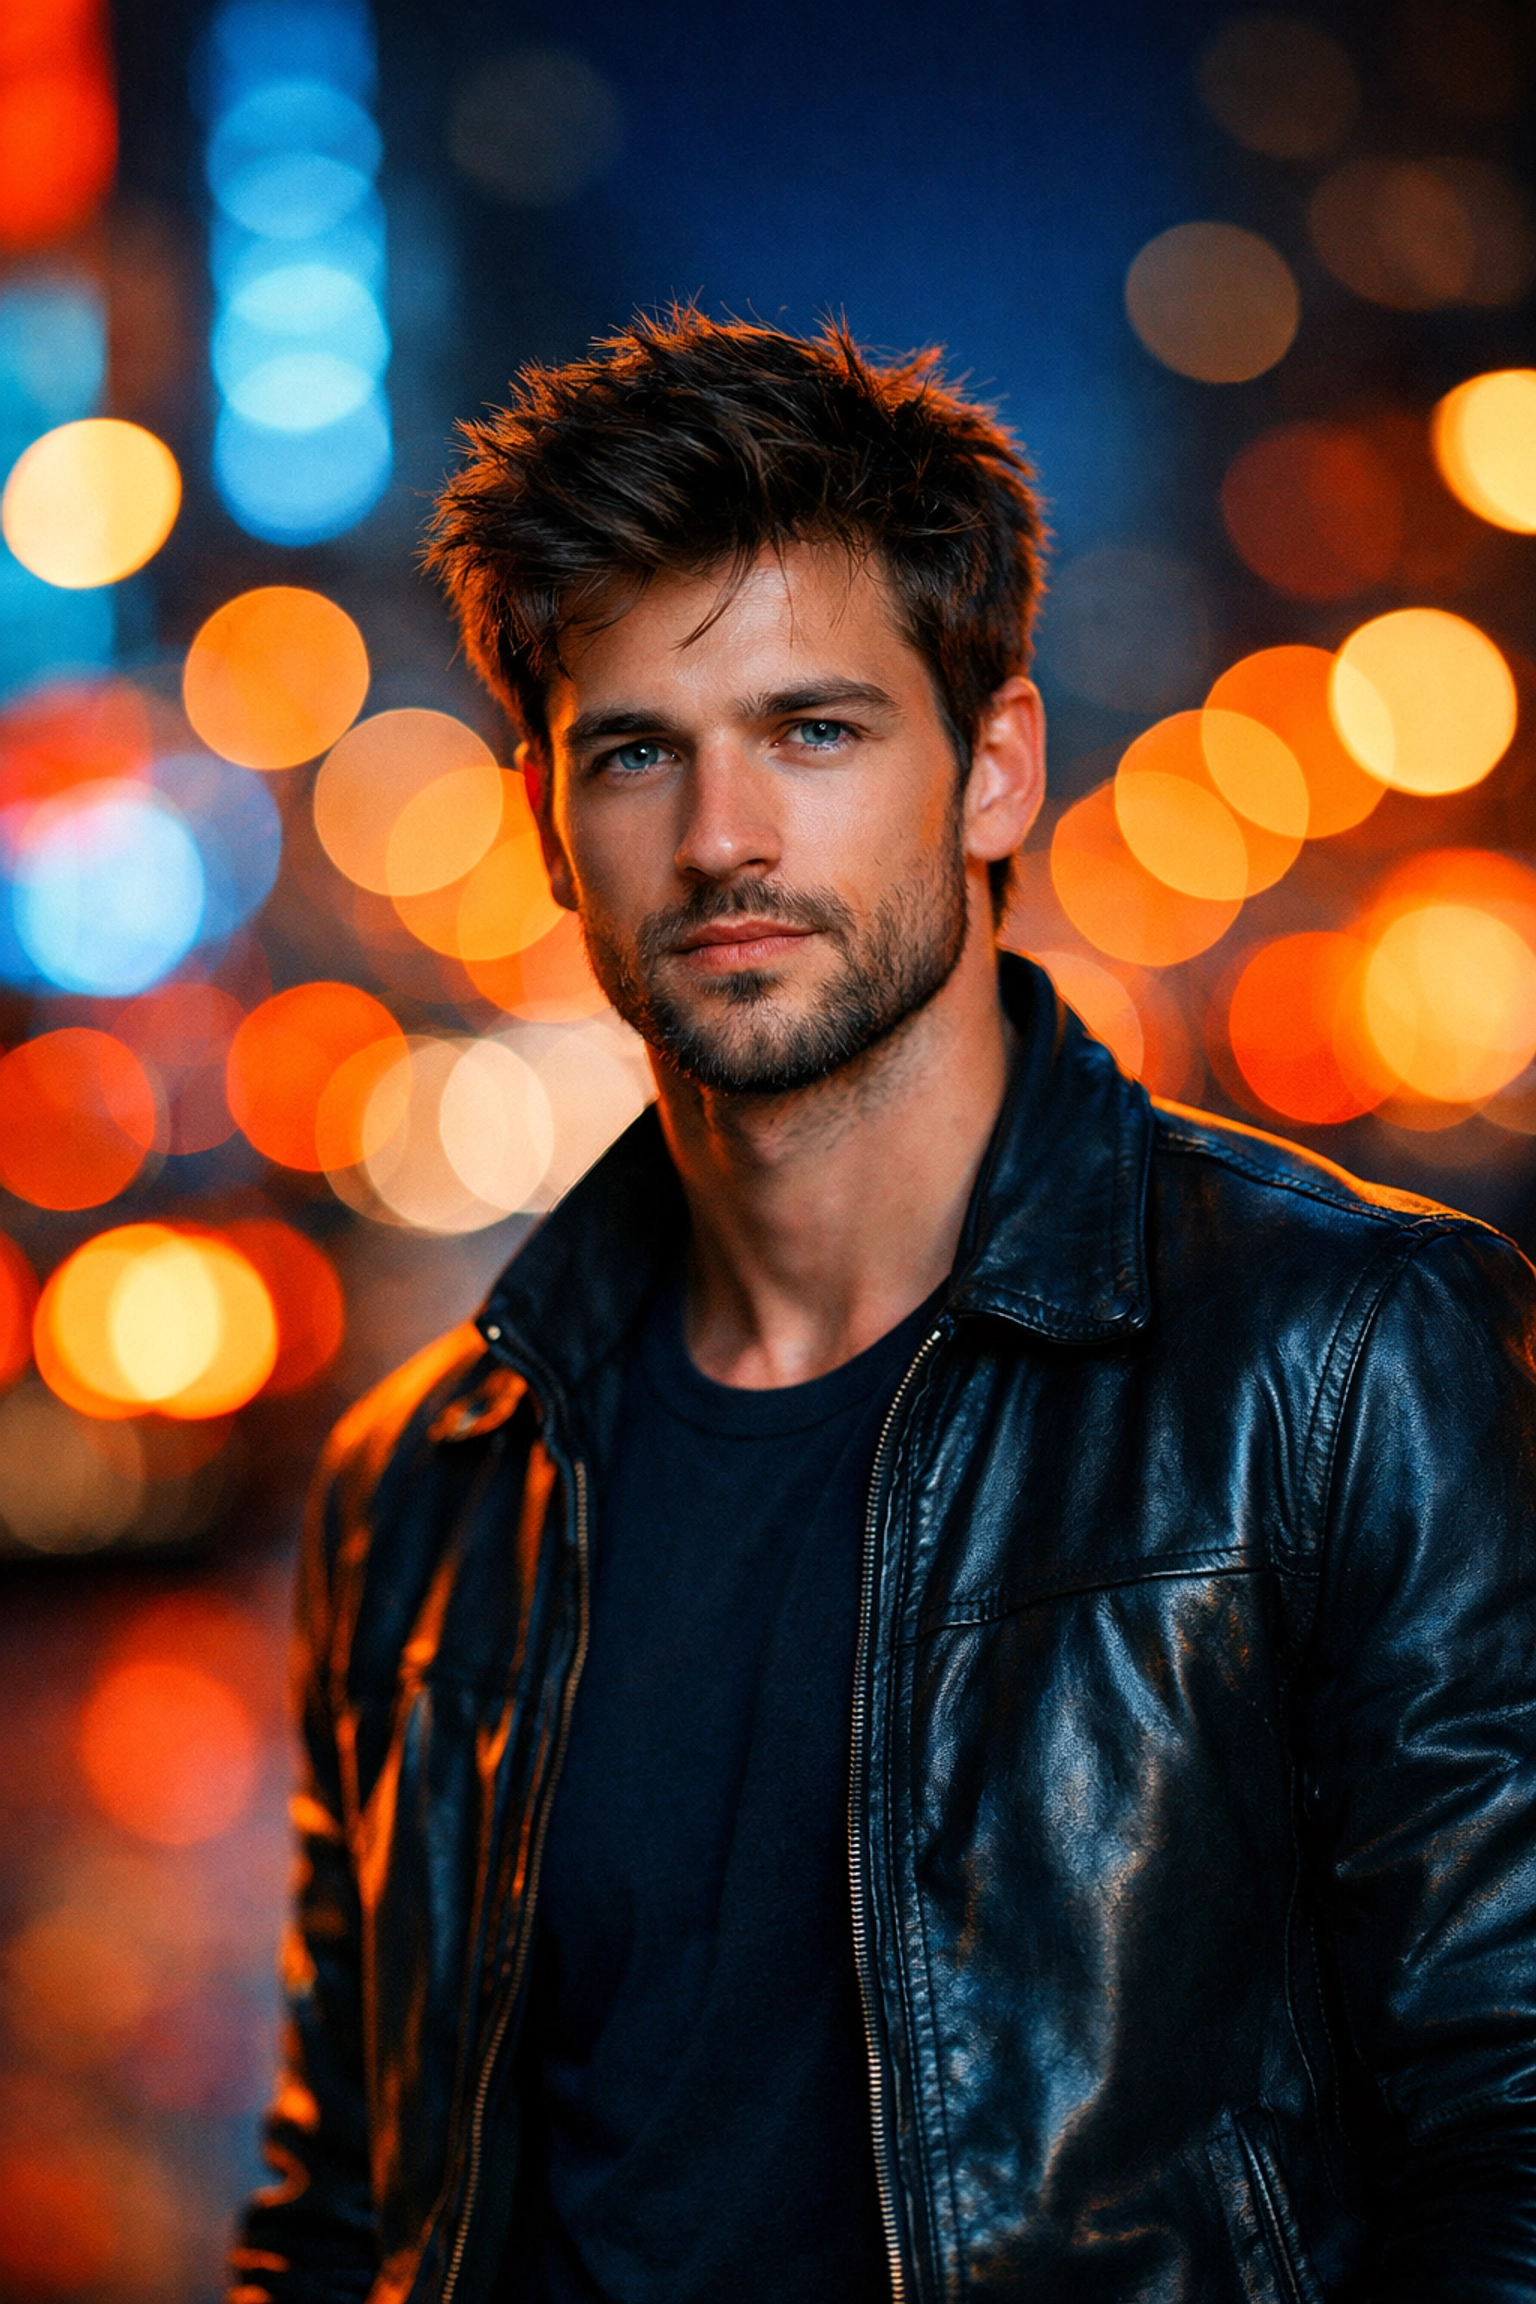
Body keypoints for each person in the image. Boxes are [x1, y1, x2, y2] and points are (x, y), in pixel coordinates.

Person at [232, 312, 1536, 2304]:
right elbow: (345, 2216)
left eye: (815, 731)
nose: (724, 836)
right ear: (547, 822)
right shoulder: (421, 1492)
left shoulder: (1348, 1361)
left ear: (994, 770)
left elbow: (1510, 2143)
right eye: (639, 753)